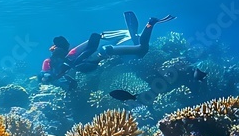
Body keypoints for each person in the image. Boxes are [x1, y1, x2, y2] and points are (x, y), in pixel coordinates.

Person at [40, 11, 175, 87]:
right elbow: (91, 41)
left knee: (141, 49)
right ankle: (144, 28)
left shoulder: (65, 63)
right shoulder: (69, 57)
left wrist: (49, 77)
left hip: (106, 50)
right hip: (105, 48)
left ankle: (150, 23)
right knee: (138, 47)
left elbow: (46, 74)